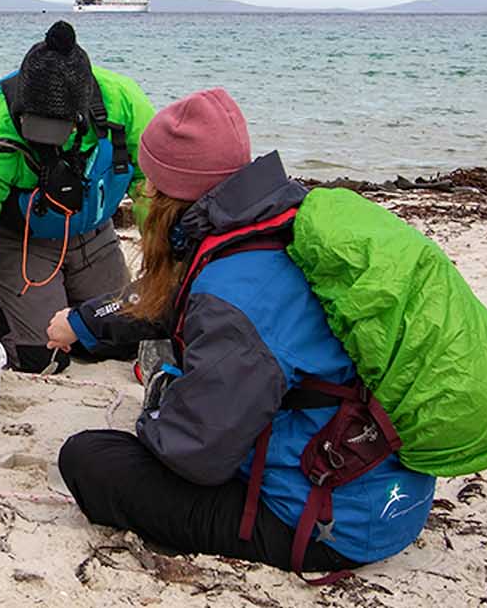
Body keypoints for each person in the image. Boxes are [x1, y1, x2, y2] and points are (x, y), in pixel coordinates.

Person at [46, 90, 437, 574]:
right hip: (391, 493)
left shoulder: (229, 296)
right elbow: (166, 302)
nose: (142, 192)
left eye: (151, 182)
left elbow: (197, 454)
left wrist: (158, 411)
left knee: (89, 457)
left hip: (329, 525)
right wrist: (87, 325)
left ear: (171, 192)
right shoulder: (287, 221)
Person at [0, 20, 156, 374]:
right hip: (24, 242)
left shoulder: (122, 102)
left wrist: (168, 259)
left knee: (121, 340)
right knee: (42, 359)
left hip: (93, 236)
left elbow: (152, 187)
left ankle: (58, 295)